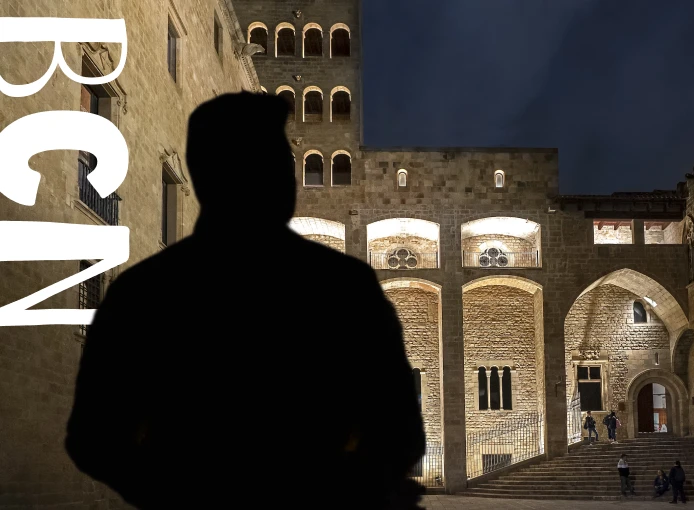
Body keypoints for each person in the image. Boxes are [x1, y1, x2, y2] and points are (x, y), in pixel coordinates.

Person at [64, 93, 427, 509]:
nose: (286, 178)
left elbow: (93, 440)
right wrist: (341, 488)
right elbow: (399, 434)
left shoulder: (143, 290)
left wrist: (170, 491)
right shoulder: (343, 285)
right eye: (273, 163)